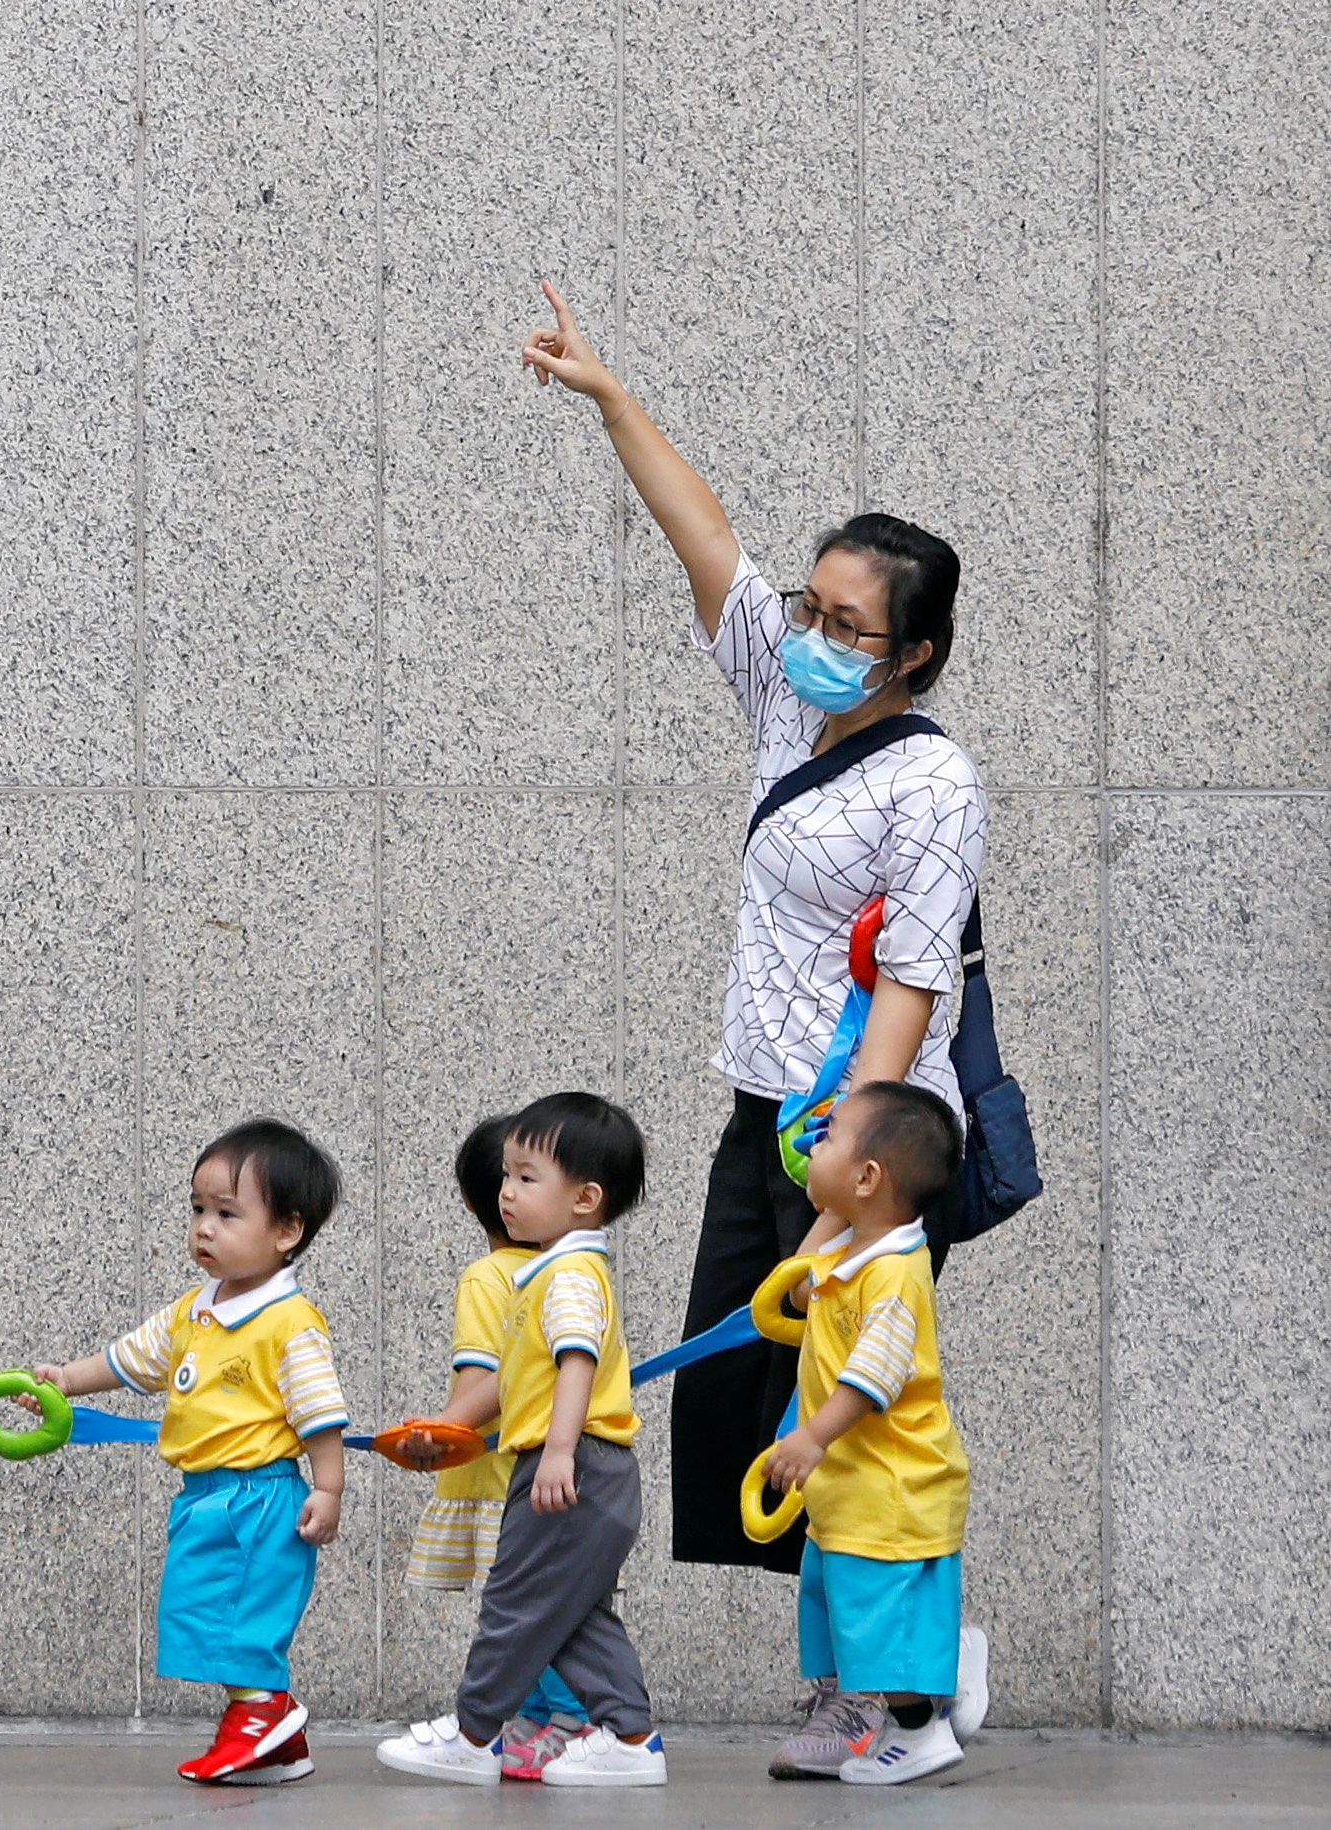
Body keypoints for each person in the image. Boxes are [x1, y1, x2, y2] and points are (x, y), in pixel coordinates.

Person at [515, 282, 986, 1678]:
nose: (809, 628)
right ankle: (892, 1659)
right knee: (734, 1392)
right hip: (763, 1108)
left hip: (860, 1141)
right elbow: (701, 533)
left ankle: (893, 1687)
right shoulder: (788, 705)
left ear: (909, 649)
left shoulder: (933, 778)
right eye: (810, 601)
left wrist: (852, 1156)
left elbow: (907, 977)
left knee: (853, 1406)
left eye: (846, 622)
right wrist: (608, 400)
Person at [27, 1119, 348, 1790]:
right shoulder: (192, 1311)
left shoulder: (289, 1322)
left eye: (227, 1213)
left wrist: (328, 1487)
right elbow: (127, 1359)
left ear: (286, 1231)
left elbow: (319, 1414)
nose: (204, 1226)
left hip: (260, 1497)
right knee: (195, 1609)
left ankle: (260, 1712)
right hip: (204, 1494)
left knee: (238, 1618)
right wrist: (62, 1378)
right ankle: (277, 1737)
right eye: (197, 1208)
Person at [379, 1094, 662, 1787]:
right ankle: (631, 1739)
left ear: (585, 1197)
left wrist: (559, 1448)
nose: (506, 1191)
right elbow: (511, 1381)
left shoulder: (565, 1274)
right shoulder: (549, 1271)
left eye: (527, 1177)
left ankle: (472, 1734)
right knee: (572, 1615)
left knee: (514, 1604)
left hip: (572, 1462)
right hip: (591, 1467)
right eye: (505, 1174)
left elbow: (575, 1362)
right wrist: (440, 1430)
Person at [756, 1084, 971, 1788]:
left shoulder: (893, 1273)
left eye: (828, 1135)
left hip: (890, 1485)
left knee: (876, 1618)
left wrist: (812, 1435)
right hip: (847, 1488)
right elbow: (793, 1291)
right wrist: (829, 1206)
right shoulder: (855, 1246)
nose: (812, 1140)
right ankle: (888, 1691)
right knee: (830, 1595)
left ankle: (916, 1728)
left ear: (868, 1176)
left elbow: (874, 1372)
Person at [367, 1119, 579, 1737]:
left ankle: (569, 1720)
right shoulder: (568, 1276)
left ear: (466, 1202)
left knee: (521, 1611)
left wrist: (438, 1433)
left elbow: (486, 1378)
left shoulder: (490, 1278)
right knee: (547, 1606)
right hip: (548, 1474)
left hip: (504, 1481)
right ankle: (538, 1723)